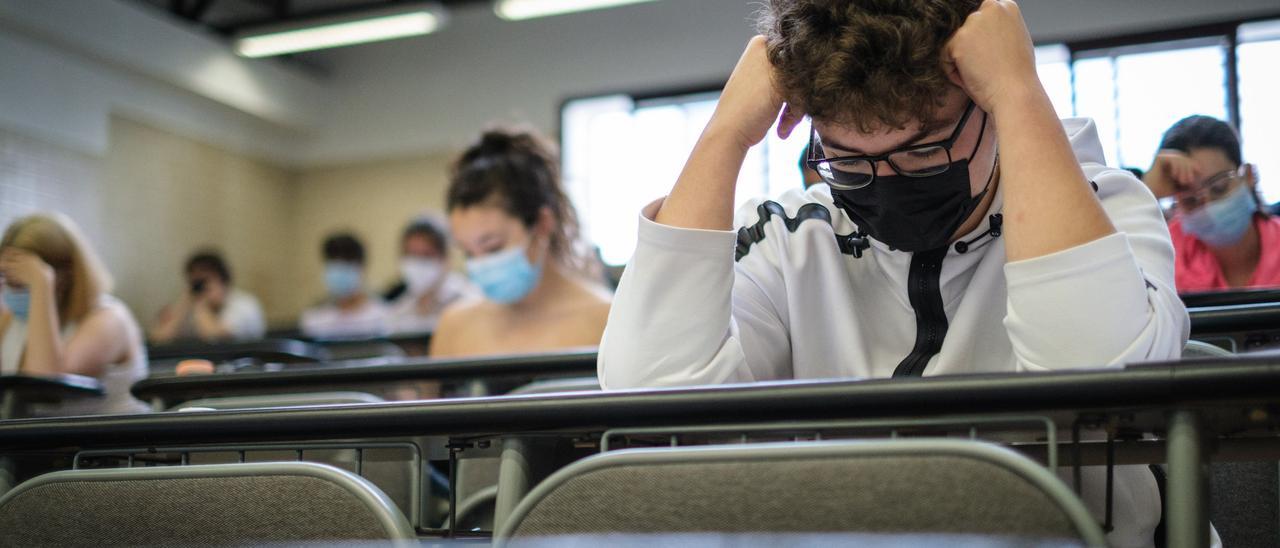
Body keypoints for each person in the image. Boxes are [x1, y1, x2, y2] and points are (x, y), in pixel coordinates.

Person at [597, 1, 1188, 546]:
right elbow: (649, 399)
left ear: (984, 104)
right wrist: (726, 133)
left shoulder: (1104, 207)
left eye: (926, 150)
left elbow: (1094, 380)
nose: (888, 183)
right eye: (849, 161)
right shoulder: (790, 235)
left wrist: (1017, 91)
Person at [429, 128, 611, 358]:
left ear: (542, 224)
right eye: (468, 252)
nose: (480, 265)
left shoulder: (604, 322)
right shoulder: (454, 328)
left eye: (493, 247)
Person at [0, 213, 148, 415]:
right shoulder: (12, 319)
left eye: (24, 283)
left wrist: (41, 286)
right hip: (46, 442)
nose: (15, 292)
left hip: (113, 441)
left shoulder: (109, 319)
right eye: (10, 282)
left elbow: (43, 385)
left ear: (68, 273)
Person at [1142, 115, 1278, 292]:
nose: (1209, 207)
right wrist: (1146, 191)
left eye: (1219, 187)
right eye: (1190, 200)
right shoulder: (1165, 255)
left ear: (1248, 176)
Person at [149, 250, 267, 343]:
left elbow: (216, 338)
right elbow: (160, 339)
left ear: (223, 281)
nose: (200, 289)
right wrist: (182, 306)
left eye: (205, 282)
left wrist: (201, 305)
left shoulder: (244, 304)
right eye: (195, 283)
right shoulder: (188, 305)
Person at [383, 216, 475, 334]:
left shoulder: (469, 300)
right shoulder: (399, 311)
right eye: (411, 255)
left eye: (426, 255)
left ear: (445, 258)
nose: (417, 263)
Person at [299, 233, 389, 339]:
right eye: (334, 262)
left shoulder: (383, 317)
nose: (339, 269)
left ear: (361, 267)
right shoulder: (314, 319)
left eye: (346, 262)